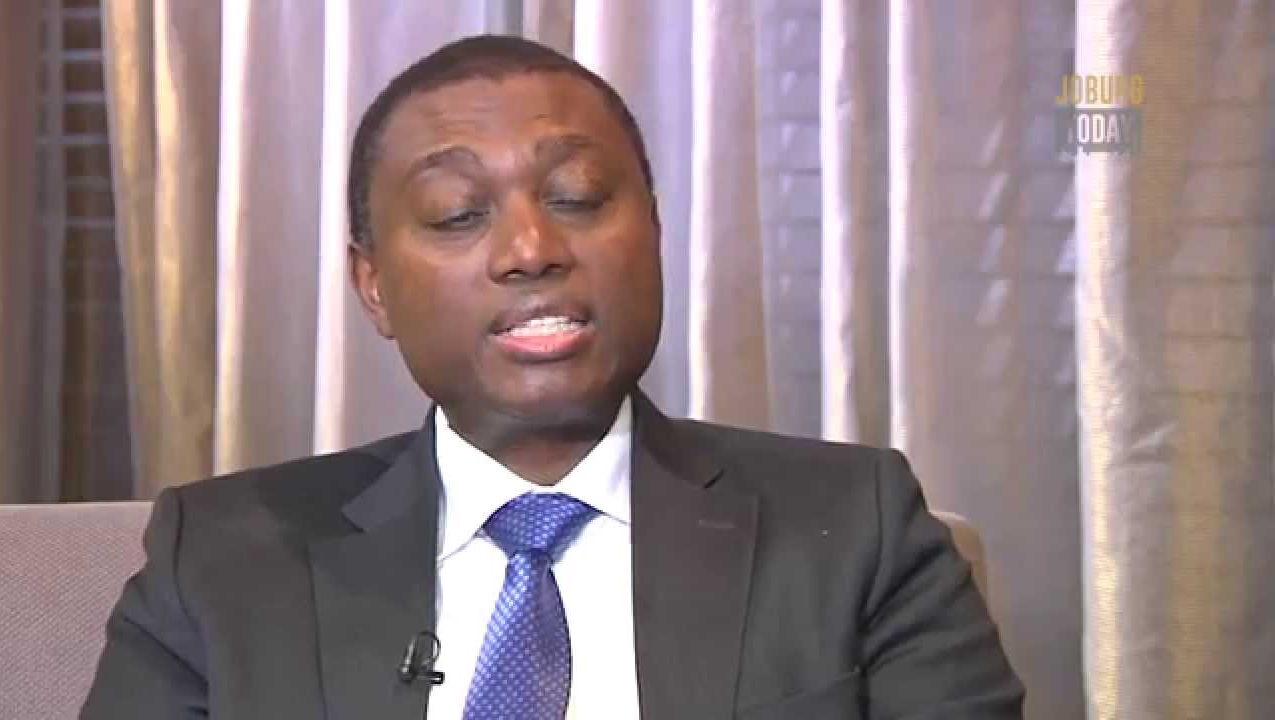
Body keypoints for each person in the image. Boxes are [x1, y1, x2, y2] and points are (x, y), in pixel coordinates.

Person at [82, 35, 1023, 719]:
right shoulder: (219, 560)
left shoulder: (858, 528)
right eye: (458, 214)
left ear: (654, 234)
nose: (531, 249)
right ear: (373, 287)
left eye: (577, 197)